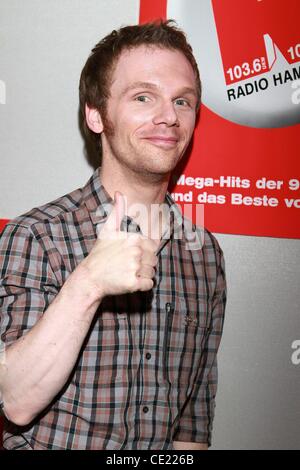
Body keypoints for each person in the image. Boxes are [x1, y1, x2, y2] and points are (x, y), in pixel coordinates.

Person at [0, 20, 226, 450]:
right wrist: (89, 283)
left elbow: (194, 423)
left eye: (183, 101)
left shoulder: (205, 255)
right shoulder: (38, 235)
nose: (168, 116)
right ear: (95, 114)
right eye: (143, 97)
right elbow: (16, 401)